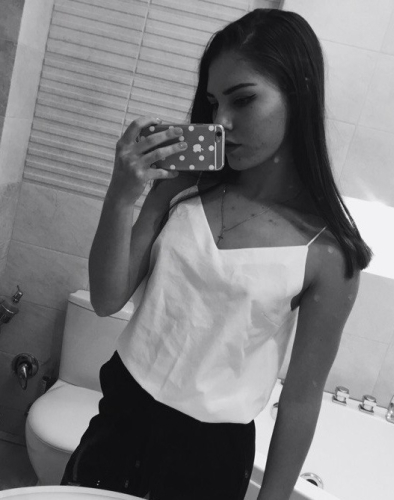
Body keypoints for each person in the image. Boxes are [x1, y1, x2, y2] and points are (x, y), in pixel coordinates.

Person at [61, 8, 372, 500]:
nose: (221, 122)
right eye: (213, 102)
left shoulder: (328, 254)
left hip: (208, 461)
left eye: (243, 99)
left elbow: (300, 400)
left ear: (299, 94)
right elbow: (106, 298)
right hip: (118, 423)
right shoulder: (185, 194)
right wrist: (126, 195)